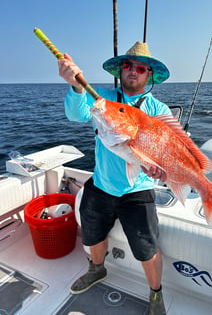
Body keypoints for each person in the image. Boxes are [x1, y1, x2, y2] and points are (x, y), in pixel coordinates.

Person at [58, 41, 171, 315]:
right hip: (101, 185)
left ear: (149, 75)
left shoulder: (158, 110)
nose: (133, 71)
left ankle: (156, 294)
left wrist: (160, 169)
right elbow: (76, 114)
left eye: (140, 68)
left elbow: (166, 154)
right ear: (120, 71)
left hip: (139, 190)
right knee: (92, 234)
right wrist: (75, 85)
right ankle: (97, 269)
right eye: (128, 66)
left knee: (147, 249)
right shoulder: (104, 98)